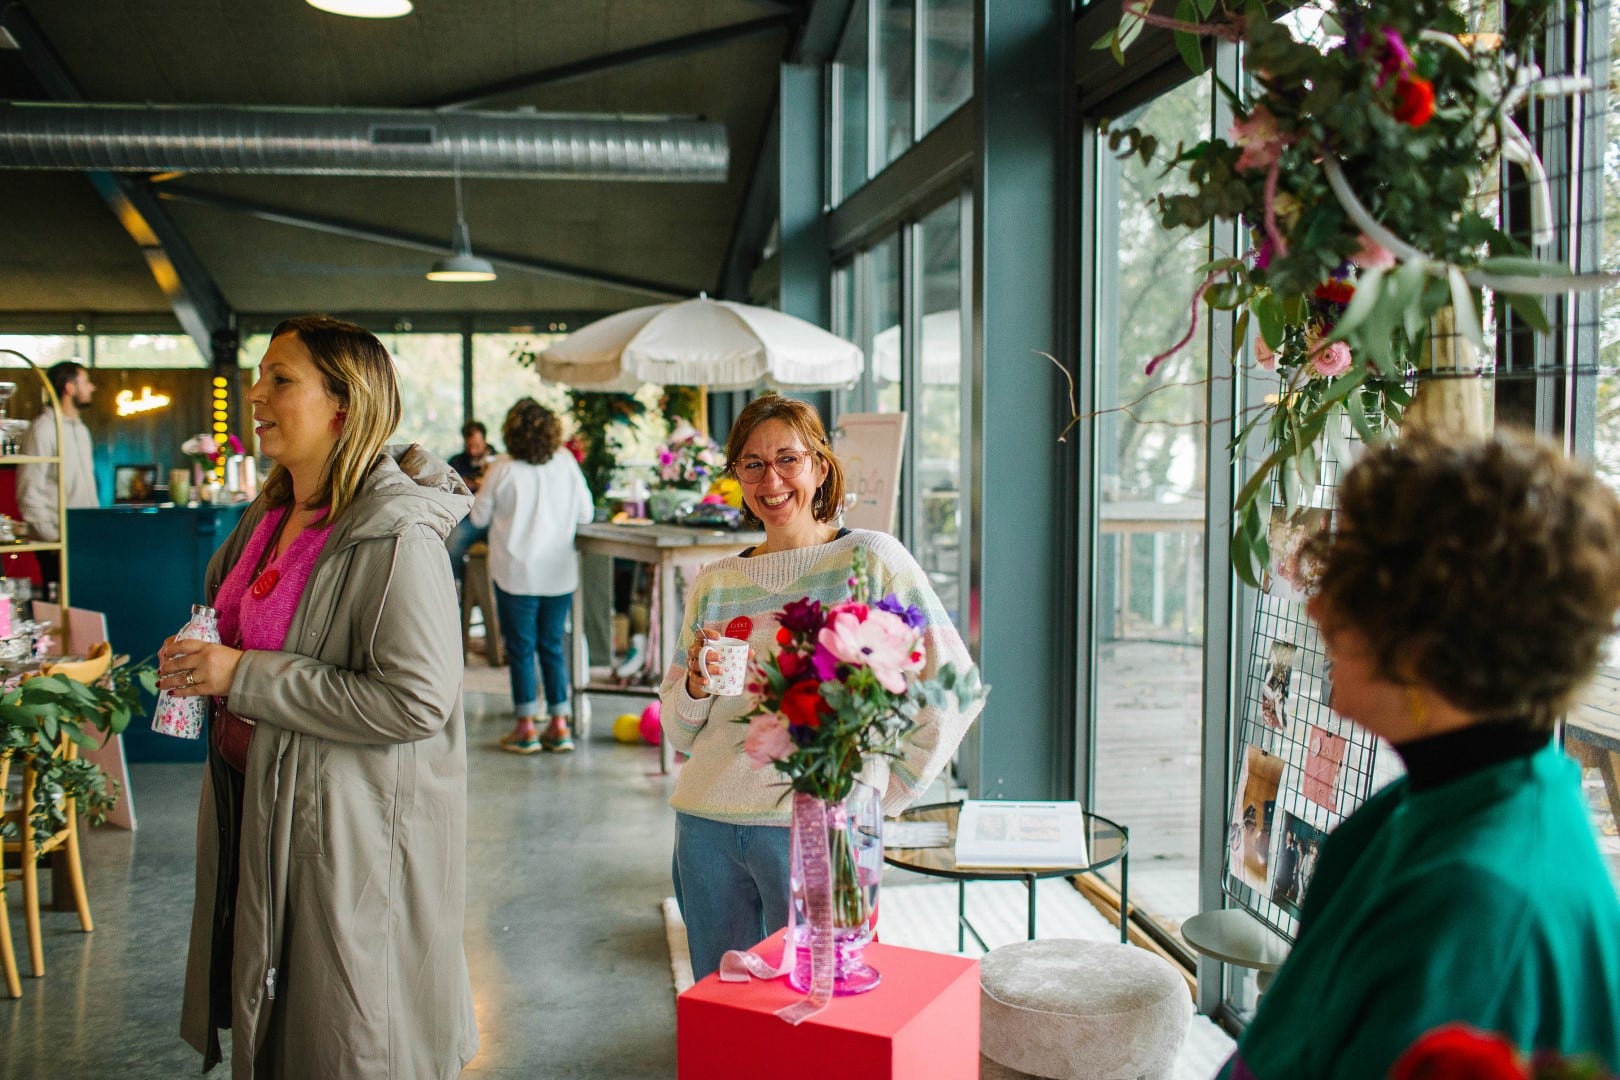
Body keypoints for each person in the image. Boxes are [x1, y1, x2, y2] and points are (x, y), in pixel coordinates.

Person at [1221, 430, 1620, 1079]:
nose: (1317, 606)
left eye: (1352, 586)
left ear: (1435, 633)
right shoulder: (1435, 799)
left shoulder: (1481, 910)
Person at [160, 315, 478, 1077]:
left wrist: (242, 676)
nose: (255, 393)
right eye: (258, 375)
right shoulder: (268, 517)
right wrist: (201, 658)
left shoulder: (396, 536)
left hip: (347, 832)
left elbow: (414, 702)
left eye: (280, 378)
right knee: (285, 1032)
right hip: (261, 806)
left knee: (347, 1038)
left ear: (345, 403)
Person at [659, 393, 983, 980]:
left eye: (788, 458)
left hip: (818, 827)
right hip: (706, 825)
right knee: (724, 1011)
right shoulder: (715, 582)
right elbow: (680, 731)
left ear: (821, 466)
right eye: (752, 464)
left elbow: (955, 681)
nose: (771, 479)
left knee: (823, 1009)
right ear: (736, 475)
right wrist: (699, 689)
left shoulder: (871, 559)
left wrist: (883, 797)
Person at [470, 398, 593, 754]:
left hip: (515, 572)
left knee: (522, 648)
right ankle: (559, 724)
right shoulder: (566, 463)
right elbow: (585, 513)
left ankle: (525, 726)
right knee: (552, 646)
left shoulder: (501, 467)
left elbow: (478, 518)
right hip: (558, 573)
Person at [18, 359, 98, 590]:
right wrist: (53, 539)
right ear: (69, 388)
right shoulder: (43, 429)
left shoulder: (82, 430)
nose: (91, 387)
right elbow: (28, 491)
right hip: (58, 544)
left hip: (84, 539)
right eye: (86, 382)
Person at [445, 420, 497, 591]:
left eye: (476, 445)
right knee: (452, 543)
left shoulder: (499, 462)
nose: (473, 450)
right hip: (468, 518)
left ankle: (495, 590)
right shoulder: (457, 463)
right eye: (469, 446)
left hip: (495, 518)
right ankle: (459, 588)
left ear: (485, 440)